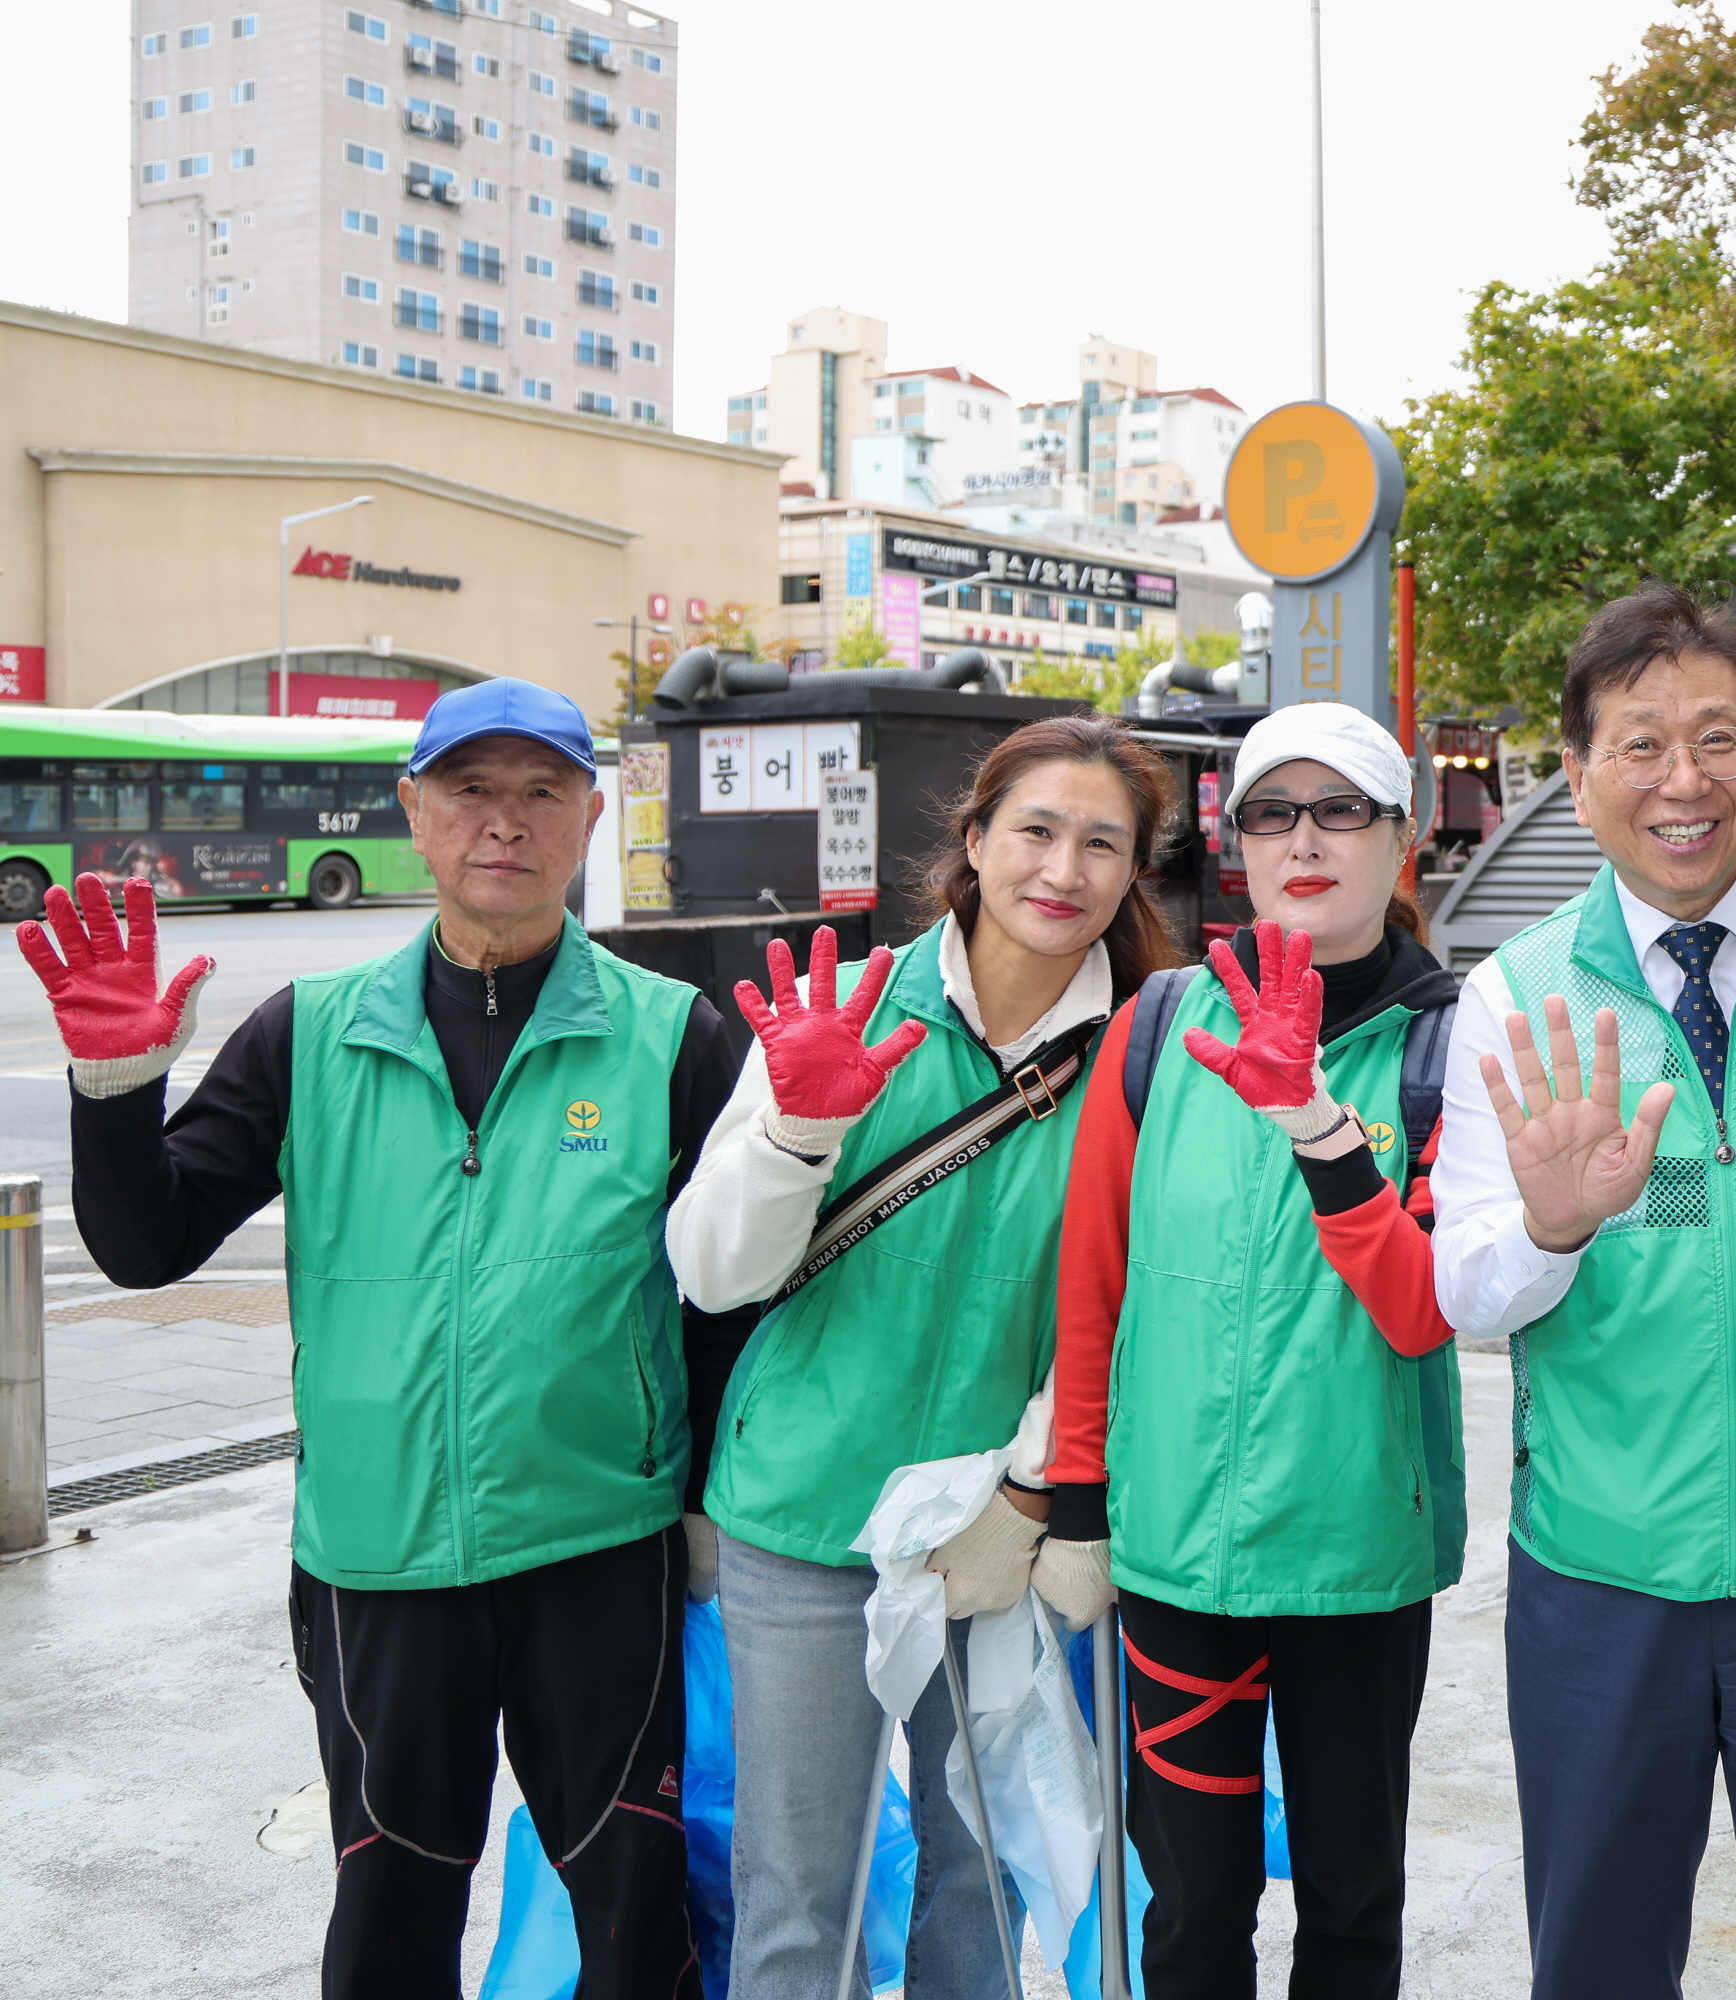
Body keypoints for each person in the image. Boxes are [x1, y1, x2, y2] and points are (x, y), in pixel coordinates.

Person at [23, 679, 728, 1999]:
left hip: (599, 1546)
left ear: (589, 816)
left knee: (636, 1909)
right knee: (393, 1905)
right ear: (413, 811)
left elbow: (727, 1297)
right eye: (470, 789)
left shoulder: (673, 1037)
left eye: (540, 792)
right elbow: (147, 1244)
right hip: (376, 1556)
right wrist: (117, 1089)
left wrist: (704, 1516)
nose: (503, 823)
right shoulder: (311, 1032)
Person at [1431, 582, 1736, 2000]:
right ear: (1577, 773)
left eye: (1719, 739)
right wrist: (1551, 1225)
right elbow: (1469, 1290)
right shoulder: (1516, 994)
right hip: (1601, 1582)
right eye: (1640, 745)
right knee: (1594, 1957)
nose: (1683, 781)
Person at [664, 715, 1178, 1999]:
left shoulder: (1148, 1053)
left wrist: (1027, 1487)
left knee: (984, 1872)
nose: (1063, 869)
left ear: (1134, 872)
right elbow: (712, 1269)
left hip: (998, 1533)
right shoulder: (844, 1005)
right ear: (974, 841)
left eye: (1101, 843)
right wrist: (796, 1129)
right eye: (1037, 831)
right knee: (801, 1886)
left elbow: (1135, 1300)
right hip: (803, 1508)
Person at [1038, 701, 1464, 2000]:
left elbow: (1420, 1310)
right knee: (1193, 1904)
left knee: (1350, 1906)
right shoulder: (1161, 1027)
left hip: (1356, 1558)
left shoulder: (1449, 1042)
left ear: (1406, 839)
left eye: (1343, 809)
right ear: (1237, 842)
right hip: (1179, 1554)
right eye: (1273, 812)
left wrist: (1317, 1124)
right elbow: (1092, 1288)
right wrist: (1077, 1506)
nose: (1306, 840)